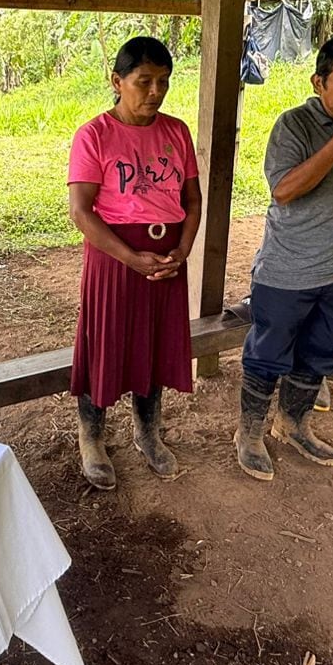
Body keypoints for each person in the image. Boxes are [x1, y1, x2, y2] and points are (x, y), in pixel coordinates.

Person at [236, 34, 333, 482]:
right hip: (286, 272)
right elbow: (284, 190)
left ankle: (294, 424)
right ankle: (249, 434)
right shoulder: (294, 126)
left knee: (318, 354)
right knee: (266, 356)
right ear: (319, 81)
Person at [66, 36, 201, 490]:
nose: (155, 92)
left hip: (165, 257)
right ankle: (93, 437)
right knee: (105, 343)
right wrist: (130, 258)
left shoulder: (176, 132)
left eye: (163, 82)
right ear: (117, 82)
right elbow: (82, 212)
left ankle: (148, 433)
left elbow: (192, 199)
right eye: (144, 81)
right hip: (114, 256)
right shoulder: (94, 135)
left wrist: (182, 250)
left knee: (155, 345)